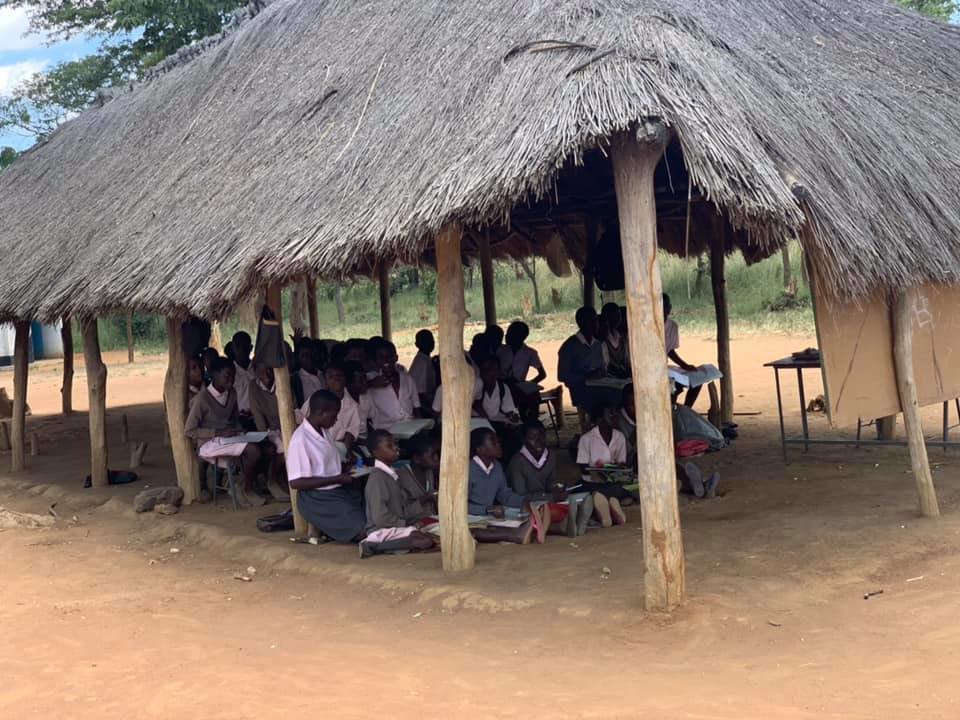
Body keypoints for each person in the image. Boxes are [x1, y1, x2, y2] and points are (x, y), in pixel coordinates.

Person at [286, 390, 367, 543]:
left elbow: (325, 465)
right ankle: (326, 526)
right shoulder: (300, 440)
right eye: (334, 415)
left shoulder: (324, 432)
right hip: (316, 497)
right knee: (363, 531)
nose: (336, 420)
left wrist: (346, 468)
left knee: (372, 519)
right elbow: (296, 482)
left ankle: (332, 527)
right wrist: (336, 478)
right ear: (321, 413)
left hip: (336, 490)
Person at [184, 357, 267, 507]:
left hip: (228, 439)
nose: (232, 379)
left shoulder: (232, 393)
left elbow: (234, 418)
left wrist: (239, 429)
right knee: (253, 451)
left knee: (263, 446)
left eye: (233, 375)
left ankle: (240, 485)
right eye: (227, 375)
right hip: (209, 443)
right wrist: (217, 432)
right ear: (214, 375)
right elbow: (190, 430)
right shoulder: (202, 399)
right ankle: (245, 488)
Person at [359, 430, 437, 558]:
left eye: (395, 444)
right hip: (380, 531)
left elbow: (402, 511)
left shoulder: (392, 475)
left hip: (394, 528)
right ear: (375, 452)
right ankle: (372, 545)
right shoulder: (377, 477)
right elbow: (380, 518)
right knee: (423, 540)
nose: (396, 448)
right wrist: (405, 524)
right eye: (389, 446)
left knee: (426, 535)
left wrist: (414, 521)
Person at [508, 422, 594, 537]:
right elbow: (520, 496)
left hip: (545, 500)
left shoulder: (550, 455)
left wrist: (559, 488)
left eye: (542, 436)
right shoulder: (517, 462)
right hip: (527, 505)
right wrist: (550, 497)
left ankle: (571, 521)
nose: (539, 441)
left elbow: (550, 484)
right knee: (546, 511)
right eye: (532, 438)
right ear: (524, 440)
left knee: (576, 499)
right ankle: (566, 524)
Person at [468, 427, 543, 544]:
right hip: (470, 516)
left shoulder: (496, 466)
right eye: (493, 442)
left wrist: (524, 502)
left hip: (487, 516)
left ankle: (558, 527)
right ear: (480, 449)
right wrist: (486, 509)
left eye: (498, 441)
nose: (498, 444)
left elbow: (504, 494)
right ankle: (515, 535)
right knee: (474, 531)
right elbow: (459, 506)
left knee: (521, 516)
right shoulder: (467, 470)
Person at [575, 403, 631, 527]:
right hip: (592, 481)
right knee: (585, 491)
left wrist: (613, 470)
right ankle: (612, 505)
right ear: (599, 419)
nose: (615, 417)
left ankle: (604, 508)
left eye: (615, 413)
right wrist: (598, 471)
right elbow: (583, 468)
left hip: (612, 480)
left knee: (625, 485)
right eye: (610, 414)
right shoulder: (587, 439)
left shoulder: (619, 437)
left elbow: (622, 464)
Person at [558, 306, 618, 415]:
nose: (596, 323)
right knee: (615, 396)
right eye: (593, 320)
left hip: (600, 385)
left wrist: (605, 374)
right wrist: (586, 376)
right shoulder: (569, 346)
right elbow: (562, 376)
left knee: (625, 389)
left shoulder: (597, 344)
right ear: (582, 323)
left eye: (596, 320)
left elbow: (602, 370)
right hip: (581, 390)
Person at [299, 362, 363, 458]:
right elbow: (302, 417)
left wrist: (346, 449)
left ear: (345, 379)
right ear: (325, 381)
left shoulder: (352, 405)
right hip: (315, 443)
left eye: (339, 375)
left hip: (339, 445)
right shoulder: (317, 398)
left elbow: (352, 430)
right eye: (330, 376)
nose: (335, 378)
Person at [498, 321, 547, 421]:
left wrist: (527, 385)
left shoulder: (530, 353)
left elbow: (542, 374)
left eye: (511, 334)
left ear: (521, 337)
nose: (507, 336)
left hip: (519, 387)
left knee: (533, 397)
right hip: (501, 386)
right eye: (508, 333)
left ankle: (530, 423)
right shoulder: (500, 350)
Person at [367, 341, 422, 429]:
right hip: (387, 430)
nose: (385, 359)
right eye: (381, 357)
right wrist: (370, 384)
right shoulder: (371, 379)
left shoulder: (407, 378)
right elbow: (356, 387)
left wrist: (420, 427)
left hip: (410, 428)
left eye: (389, 356)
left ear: (396, 358)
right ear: (376, 361)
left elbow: (416, 406)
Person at [663, 293, 702, 408]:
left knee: (697, 380)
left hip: (665, 368)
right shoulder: (648, 325)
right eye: (664, 305)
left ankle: (687, 410)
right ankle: (672, 411)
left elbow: (670, 351)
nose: (668, 308)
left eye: (668, 305)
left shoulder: (673, 326)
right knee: (674, 388)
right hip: (654, 369)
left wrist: (685, 366)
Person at [396, 432, 439, 519]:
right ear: (417, 459)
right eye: (432, 455)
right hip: (413, 526)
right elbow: (401, 514)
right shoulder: (400, 477)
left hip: (431, 520)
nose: (436, 458)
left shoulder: (429, 471)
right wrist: (424, 498)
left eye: (436, 454)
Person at [408, 329, 438, 409]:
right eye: (425, 341)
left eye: (431, 340)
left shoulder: (426, 359)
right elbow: (420, 395)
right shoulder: (421, 362)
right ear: (417, 344)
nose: (430, 343)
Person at [600, 302, 631, 378]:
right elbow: (606, 365)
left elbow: (626, 360)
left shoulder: (621, 337)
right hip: (610, 378)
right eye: (616, 316)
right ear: (607, 318)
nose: (619, 319)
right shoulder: (602, 340)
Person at [293, 339, 325, 407]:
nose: (309, 357)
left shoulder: (324, 375)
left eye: (312, 353)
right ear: (298, 358)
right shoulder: (295, 380)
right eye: (304, 355)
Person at [230, 331, 256, 417]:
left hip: (261, 417)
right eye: (237, 345)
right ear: (232, 348)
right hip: (240, 419)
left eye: (244, 346)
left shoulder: (258, 368)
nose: (241, 349)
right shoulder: (230, 372)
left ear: (251, 348)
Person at [617, 383, 637, 467]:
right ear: (625, 404)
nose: (637, 407)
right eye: (632, 404)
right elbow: (624, 454)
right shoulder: (616, 422)